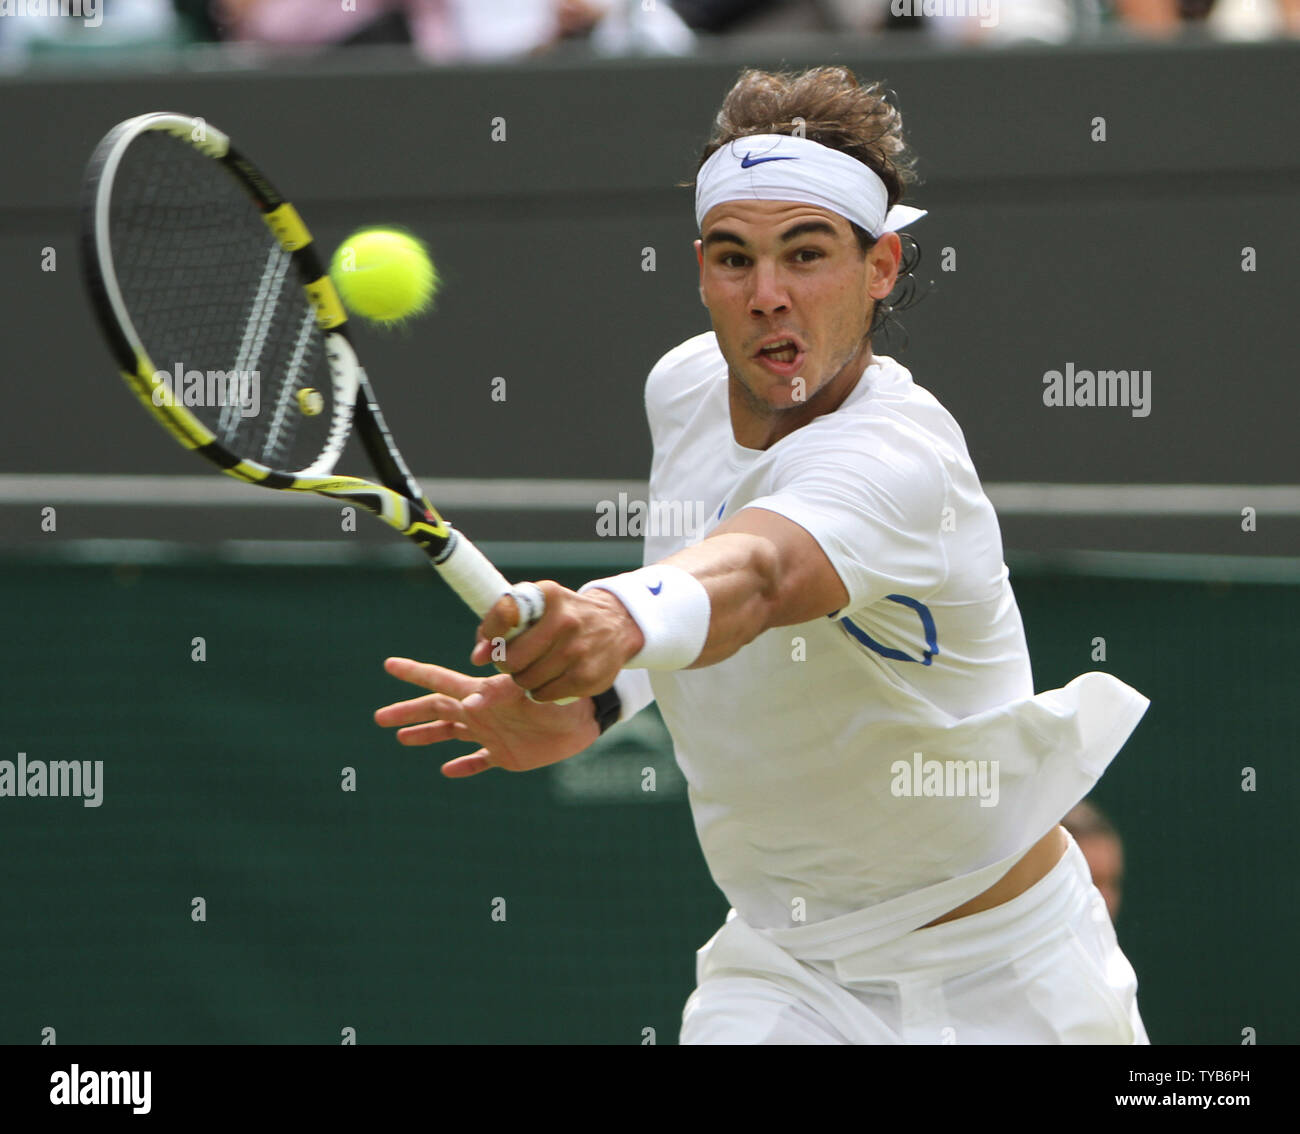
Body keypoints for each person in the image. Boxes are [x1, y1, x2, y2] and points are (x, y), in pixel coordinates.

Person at [375, 65, 1151, 1045]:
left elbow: (756, 576)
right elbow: (700, 587)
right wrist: (598, 698)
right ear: (700, 268)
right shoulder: (684, 389)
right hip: (788, 972)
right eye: (734, 260)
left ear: (880, 267)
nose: (768, 296)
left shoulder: (897, 461)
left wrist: (611, 622)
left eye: (807, 254)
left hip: (1009, 976)